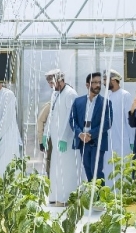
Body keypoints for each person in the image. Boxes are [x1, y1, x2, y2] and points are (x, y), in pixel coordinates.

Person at [69, 72, 113, 182]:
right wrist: (80, 134)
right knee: (88, 170)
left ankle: (100, 198)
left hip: (97, 141)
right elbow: (72, 120)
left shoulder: (106, 103)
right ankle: (91, 197)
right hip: (82, 141)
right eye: (95, 83)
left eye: (99, 82)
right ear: (87, 85)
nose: (98, 85)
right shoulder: (78, 101)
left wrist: (91, 134)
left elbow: (107, 122)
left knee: (96, 171)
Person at [44, 69, 78, 205]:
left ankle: (66, 198)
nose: (50, 86)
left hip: (67, 142)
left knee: (67, 169)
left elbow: (71, 118)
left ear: (60, 80)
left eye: (52, 82)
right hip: (56, 139)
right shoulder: (55, 94)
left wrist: (64, 137)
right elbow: (51, 117)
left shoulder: (71, 94)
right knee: (56, 168)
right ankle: (55, 196)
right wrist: (46, 135)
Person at [103, 69, 134, 182]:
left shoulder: (125, 95)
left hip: (123, 141)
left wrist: (132, 140)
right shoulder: (108, 96)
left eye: (106, 79)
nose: (103, 82)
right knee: (109, 170)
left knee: (123, 170)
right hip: (109, 141)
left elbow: (129, 119)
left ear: (114, 80)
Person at [35, 96, 52, 174]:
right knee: (50, 160)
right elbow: (40, 121)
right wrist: (41, 141)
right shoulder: (50, 105)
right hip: (50, 138)